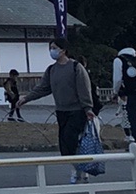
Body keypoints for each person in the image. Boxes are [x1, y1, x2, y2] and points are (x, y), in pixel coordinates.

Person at [23, 39, 96, 180]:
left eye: (54, 48)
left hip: (76, 110)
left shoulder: (76, 67)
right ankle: (78, 168)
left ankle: (80, 169)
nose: (52, 51)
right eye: (51, 48)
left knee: (70, 139)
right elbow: (43, 88)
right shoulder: (52, 70)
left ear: (63, 50)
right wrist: (26, 98)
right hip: (61, 111)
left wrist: (88, 108)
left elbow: (84, 88)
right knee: (65, 146)